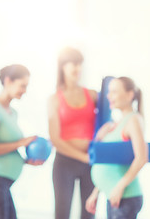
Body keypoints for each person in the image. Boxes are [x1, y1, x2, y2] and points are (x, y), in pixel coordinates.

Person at [0, 64, 43, 219]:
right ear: (8, 81)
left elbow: (7, 149)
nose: (25, 90)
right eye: (22, 85)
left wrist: (25, 161)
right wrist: (21, 143)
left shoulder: (12, 113)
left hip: (2, 185)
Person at [86, 77, 147, 219]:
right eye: (109, 92)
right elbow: (109, 165)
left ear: (130, 95)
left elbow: (142, 158)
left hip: (125, 196)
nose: (108, 96)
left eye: (114, 92)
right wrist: (96, 193)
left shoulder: (133, 120)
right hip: (113, 194)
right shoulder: (115, 125)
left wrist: (119, 188)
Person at [47, 47, 98, 219]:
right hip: (65, 163)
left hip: (90, 162)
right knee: (62, 214)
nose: (78, 69)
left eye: (80, 64)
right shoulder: (54, 99)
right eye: (74, 64)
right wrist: (82, 157)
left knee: (89, 214)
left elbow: (106, 122)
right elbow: (55, 139)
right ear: (63, 66)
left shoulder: (92, 95)